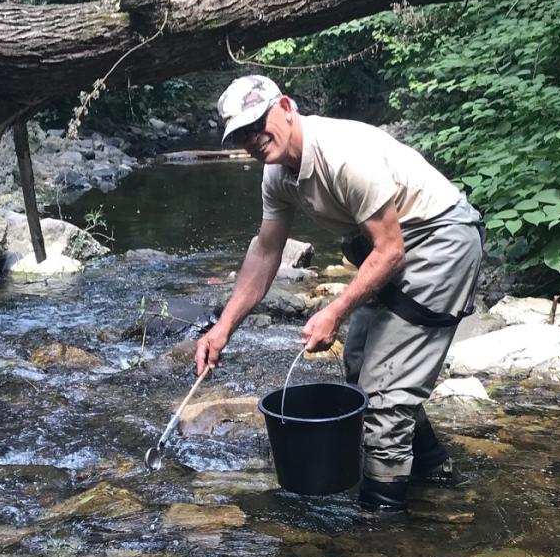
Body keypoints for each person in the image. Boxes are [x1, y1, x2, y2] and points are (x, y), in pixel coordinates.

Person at [194, 75, 485, 512]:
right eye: (240, 134)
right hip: (389, 247)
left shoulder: (343, 156)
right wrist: (223, 329)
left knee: (383, 394)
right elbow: (267, 251)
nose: (252, 139)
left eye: (257, 124)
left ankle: (381, 522)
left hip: (440, 241)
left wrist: (335, 310)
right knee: (359, 365)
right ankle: (432, 468)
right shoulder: (276, 174)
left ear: (285, 107)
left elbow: (391, 251)